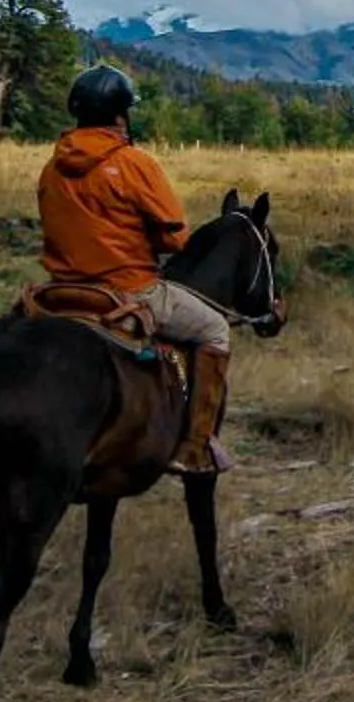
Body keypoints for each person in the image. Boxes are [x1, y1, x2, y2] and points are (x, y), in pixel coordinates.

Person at [36, 64, 233, 474]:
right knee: (216, 329)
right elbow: (177, 237)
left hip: (61, 290)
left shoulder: (52, 167)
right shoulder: (133, 163)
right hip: (129, 290)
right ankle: (195, 447)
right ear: (120, 115)